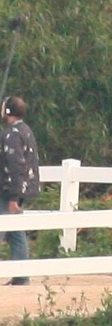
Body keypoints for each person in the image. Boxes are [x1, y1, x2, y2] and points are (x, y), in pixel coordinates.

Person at [0, 96, 40, 286]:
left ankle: (21, 274)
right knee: (16, 232)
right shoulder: (24, 130)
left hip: (9, 192)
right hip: (19, 189)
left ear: (7, 111)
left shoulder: (12, 134)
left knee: (4, 228)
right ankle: (21, 275)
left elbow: (15, 166)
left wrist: (13, 197)